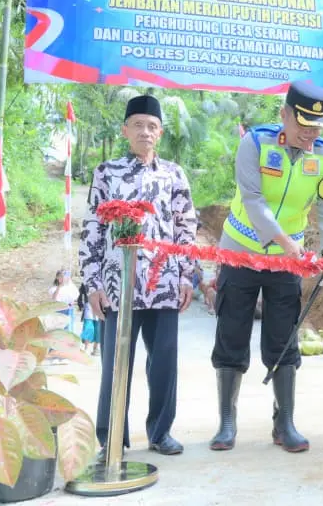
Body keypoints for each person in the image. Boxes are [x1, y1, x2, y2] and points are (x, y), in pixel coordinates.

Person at [210, 81, 323, 453]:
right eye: (303, 124)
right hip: (241, 251)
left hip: (288, 261)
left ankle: (284, 422)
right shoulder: (255, 143)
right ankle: (226, 420)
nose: (310, 133)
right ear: (284, 114)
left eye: (317, 127)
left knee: (284, 336)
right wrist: (286, 242)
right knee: (232, 331)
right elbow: (253, 199)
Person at [79, 94, 198, 459]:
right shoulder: (106, 173)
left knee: (164, 362)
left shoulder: (174, 174)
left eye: (152, 126)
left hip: (163, 286)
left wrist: (186, 277)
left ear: (160, 133)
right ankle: (111, 437)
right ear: (125, 130)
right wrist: (92, 283)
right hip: (119, 286)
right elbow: (93, 229)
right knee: (116, 365)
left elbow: (186, 227)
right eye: (138, 125)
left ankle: (161, 433)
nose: (145, 132)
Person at [77, 285, 99, 357]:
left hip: (100, 306)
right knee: (89, 328)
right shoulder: (86, 281)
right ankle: (86, 348)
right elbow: (80, 293)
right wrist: (80, 303)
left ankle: (95, 348)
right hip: (89, 306)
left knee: (98, 328)